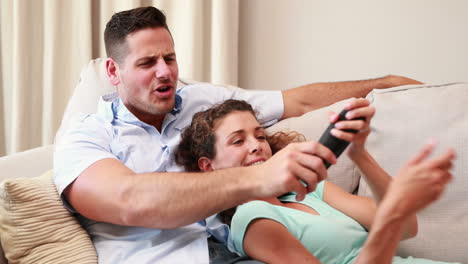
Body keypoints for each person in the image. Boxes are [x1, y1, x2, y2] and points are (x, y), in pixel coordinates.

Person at [53, 6, 424, 264]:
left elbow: (296, 101)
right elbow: (130, 199)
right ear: (113, 71)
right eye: (147, 63)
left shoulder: (202, 100)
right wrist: (261, 176)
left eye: (170, 58)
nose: (165, 73)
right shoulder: (85, 138)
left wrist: (383, 84)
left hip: (239, 250)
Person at [175, 99, 458, 264]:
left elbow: (408, 228)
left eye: (260, 136)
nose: (256, 146)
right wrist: (396, 209)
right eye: (238, 140)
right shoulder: (251, 219)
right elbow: (396, 219)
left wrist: (359, 153)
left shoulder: (309, 191)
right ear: (208, 167)